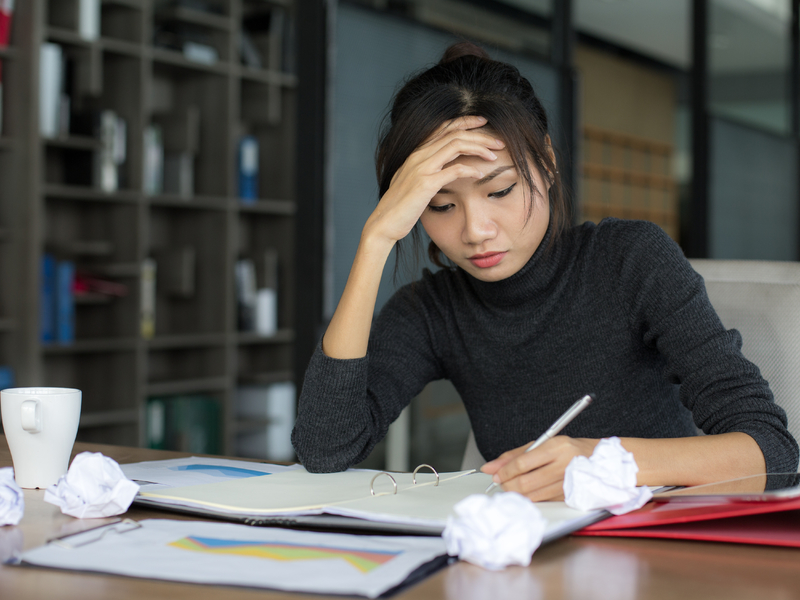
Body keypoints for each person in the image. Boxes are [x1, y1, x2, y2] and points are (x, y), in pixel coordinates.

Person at [291, 42, 799, 499]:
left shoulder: (630, 261)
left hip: (665, 553)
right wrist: (375, 239)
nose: (476, 230)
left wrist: (603, 463)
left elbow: (774, 454)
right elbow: (325, 449)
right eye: (440, 206)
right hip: (528, 559)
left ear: (548, 163)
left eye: (501, 191)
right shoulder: (433, 311)